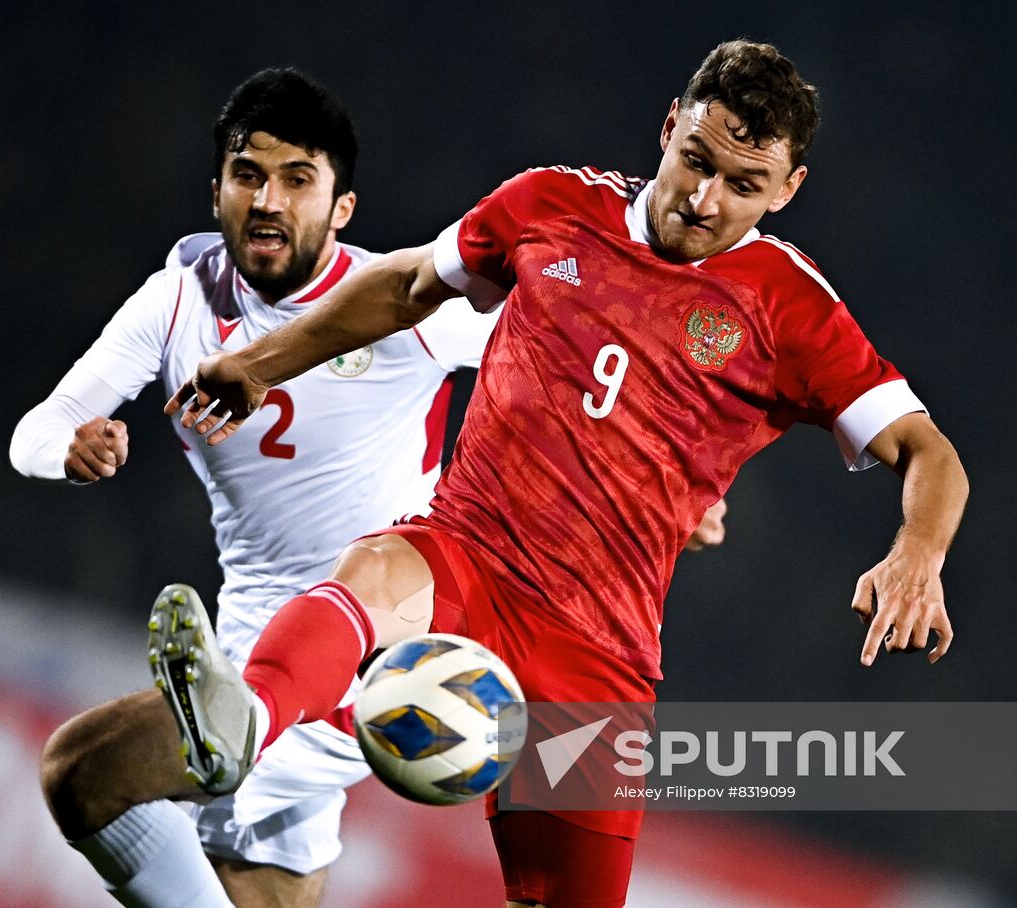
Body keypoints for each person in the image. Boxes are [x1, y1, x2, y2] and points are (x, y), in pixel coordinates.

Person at [161, 39, 968, 907]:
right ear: (667, 129)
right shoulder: (553, 204)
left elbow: (931, 453)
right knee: (374, 575)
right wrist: (262, 362)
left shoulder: (791, 305)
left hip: (598, 649)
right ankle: (241, 719)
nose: (703, 199)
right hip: (470, 552)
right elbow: (405, 287)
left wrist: (917, 551)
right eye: (695, 160)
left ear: (787, 190)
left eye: (742, 185)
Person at [10, 69, 507, 908]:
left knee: (82, 773)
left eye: (298, 180)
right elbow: (36, 430)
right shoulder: (177, 304)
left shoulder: (406, 304)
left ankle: (233, 728)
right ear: (217, 193)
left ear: (341, 207)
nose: (269, 201)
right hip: (243, 637)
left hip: (361, 660)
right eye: (249, 176)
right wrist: (70, 449)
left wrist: (676, 487)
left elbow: (563, 360)